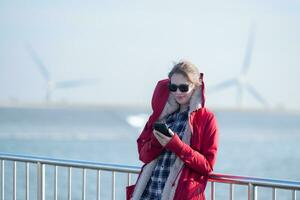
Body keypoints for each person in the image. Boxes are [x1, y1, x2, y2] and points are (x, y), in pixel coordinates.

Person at [127, 60, 219, 200]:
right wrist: (157, 142)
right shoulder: (162, 117)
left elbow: (207, 166)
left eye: (183, 87)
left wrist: (177, 146)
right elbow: (144, 156)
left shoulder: (206, 118)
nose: (177, 92)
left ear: (195, 86)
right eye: (173, 87)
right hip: (148, 194)